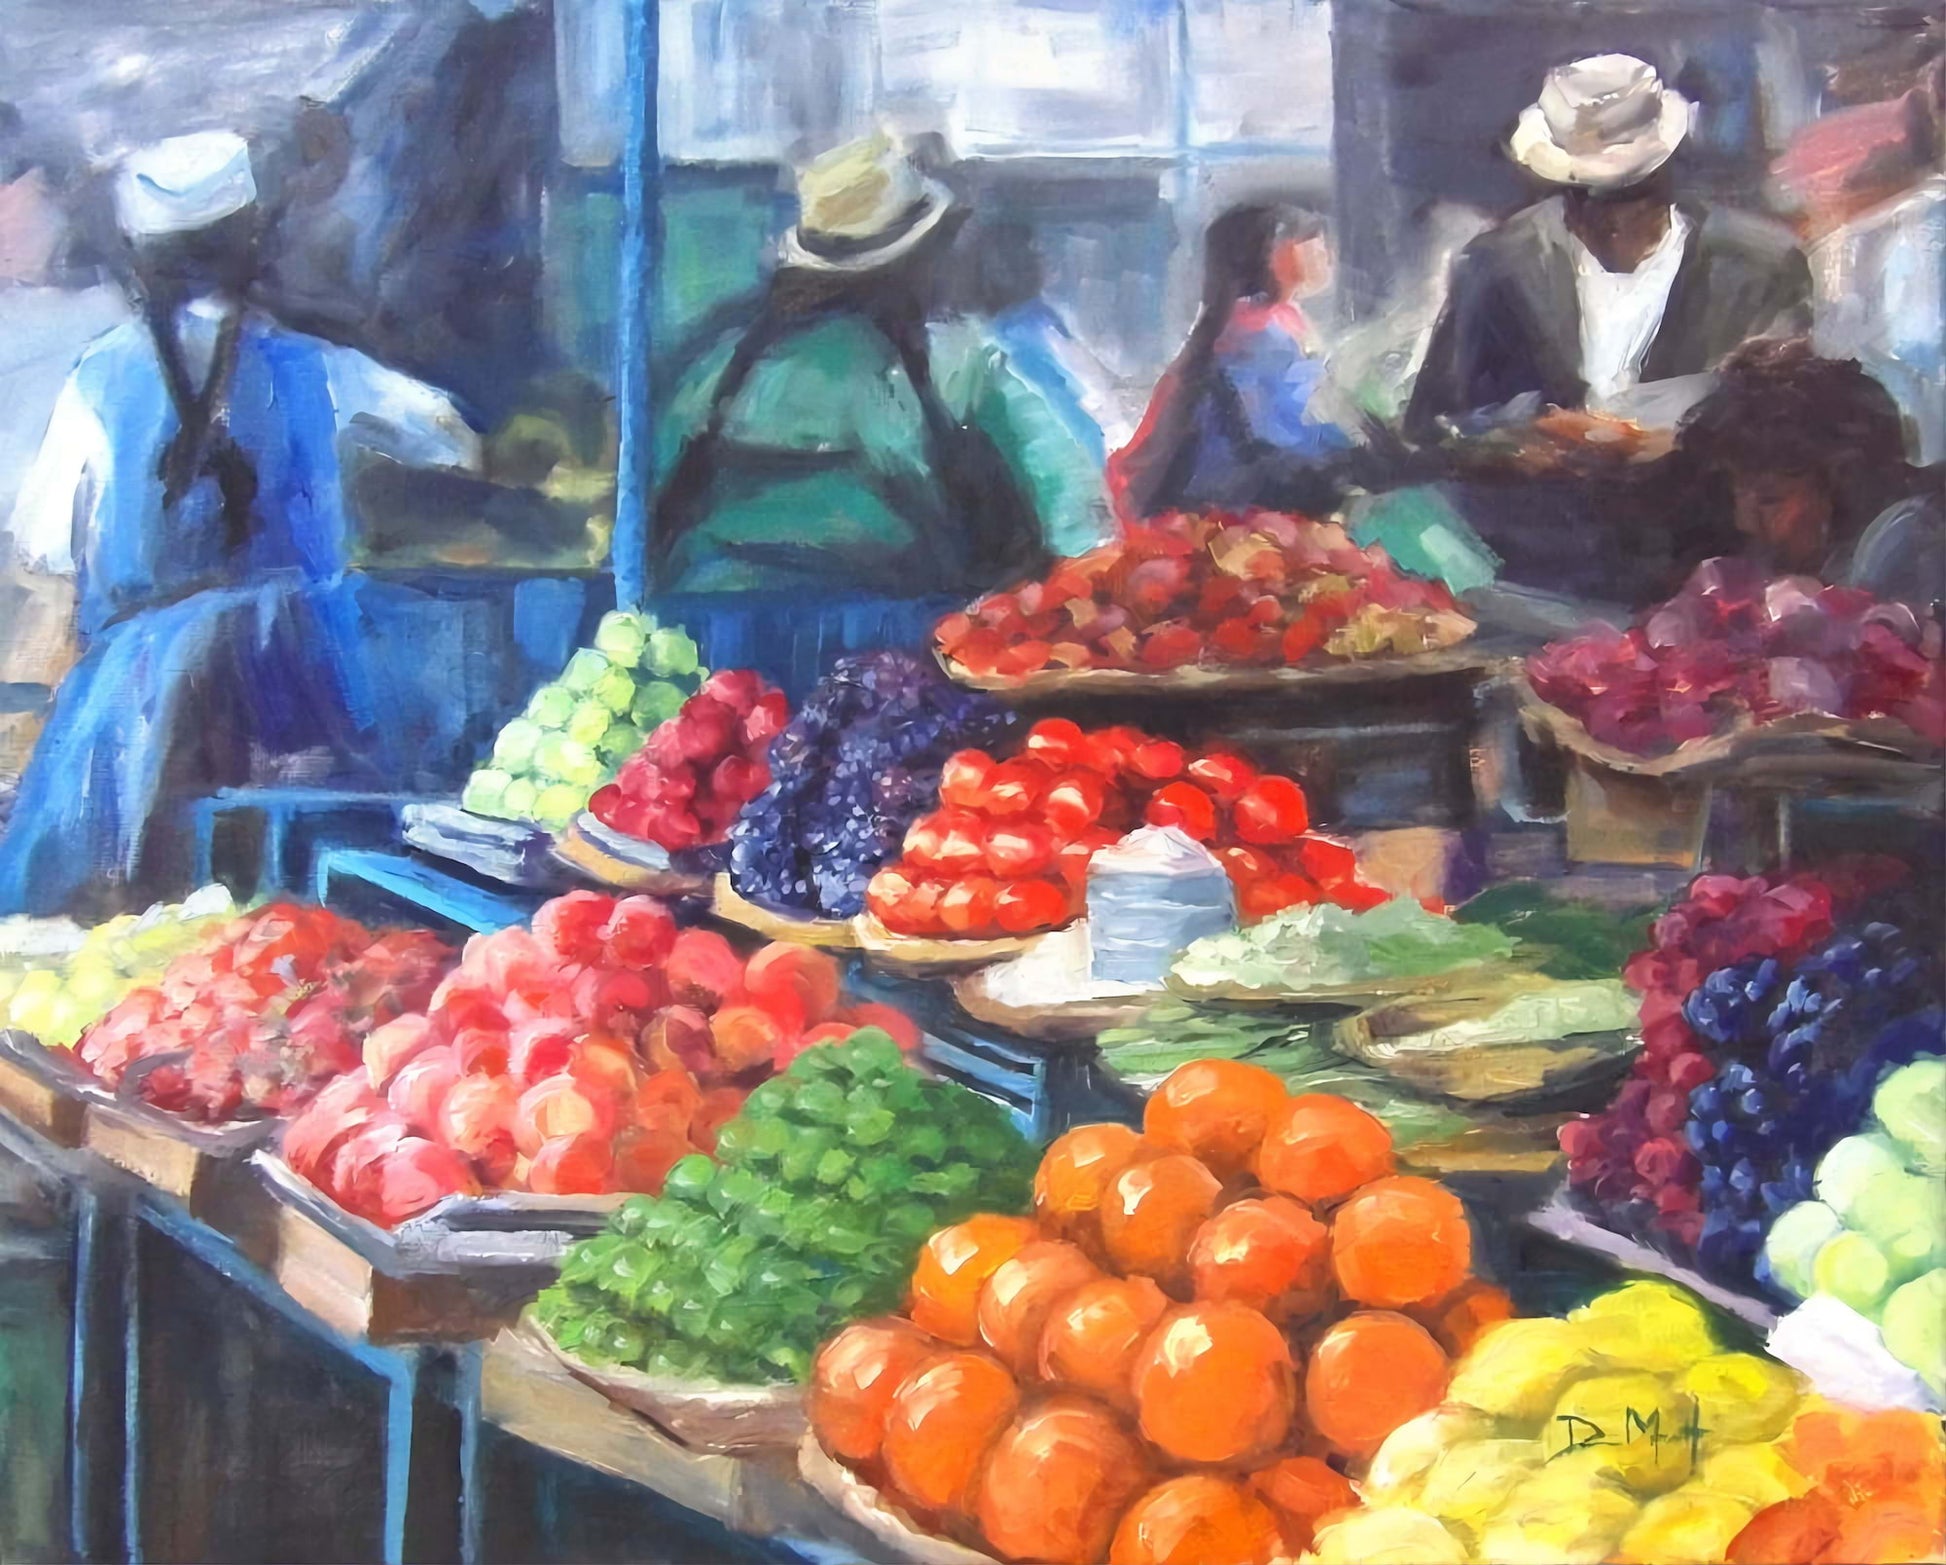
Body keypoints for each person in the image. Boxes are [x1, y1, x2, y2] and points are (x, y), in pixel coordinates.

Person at [0, 131, 478, 916]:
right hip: (298, 690)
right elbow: (455, 437)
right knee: (298, 908)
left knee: (111, 911)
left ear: (142, 259)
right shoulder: (317, 367)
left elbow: (47, 546)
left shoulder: (97, 380)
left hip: (138, 710)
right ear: (248, 245)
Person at [650, 132, 1099, 595]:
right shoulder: (960, 366)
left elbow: (644, 509)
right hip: (904, 646)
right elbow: (1075, 512)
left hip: (715, 637)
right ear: (915, 259)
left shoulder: (717, 367)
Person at [1408, 55, 1812, 442]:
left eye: (1631, 195)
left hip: (1702, 505)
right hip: (1536, 504)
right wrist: (1535, 433)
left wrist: (1680, 443)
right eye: (1584, 194)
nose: (1610, 219)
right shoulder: (1498, 264)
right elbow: (1434, 425)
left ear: (1662, 176)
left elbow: (1796, 421)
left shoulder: (1760, 266)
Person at [1110, 203, 1357, 521]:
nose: (1326, 252)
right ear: (1273, 254)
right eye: (1310, 241)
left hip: (1252, 489)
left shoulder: (1279, 318)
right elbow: (1283, 435)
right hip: (1236, 505)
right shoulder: (1253, 332)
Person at [1673, 337, 1944, 614]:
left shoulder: (1907, 547)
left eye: (1769, 499)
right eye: (1737, 492)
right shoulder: (1831, 557)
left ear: (1843, 478)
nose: (1745, 522)